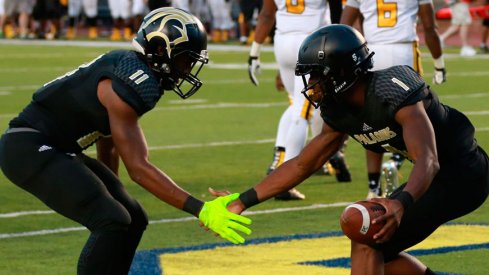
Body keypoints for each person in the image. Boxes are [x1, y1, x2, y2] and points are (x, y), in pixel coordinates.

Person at [217, 24, 489, 274]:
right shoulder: (337, 109)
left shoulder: (391, 89)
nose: (311, 83)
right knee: (370, 241)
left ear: (342, 72)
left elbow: (428, 160)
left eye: (316, 74)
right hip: (431, 179)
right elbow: (303, 164)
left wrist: (401, 202)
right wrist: (242, 201)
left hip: (465, 174)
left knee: (367, 234)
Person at [0, 8, 251, 274]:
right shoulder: (131, 82)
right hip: (28, 148)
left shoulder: (132, 72)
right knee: (112, 219)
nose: (188, 69)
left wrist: (112, 188)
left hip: (57, 148)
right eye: (185, 59)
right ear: (160, 49)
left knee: (133, 218)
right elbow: (139, 168)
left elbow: (107, 138)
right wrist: (202, 209)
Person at [340, 0, 447, 199]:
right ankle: (397, 161)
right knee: (413, 116)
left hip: (371, 52)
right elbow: (429, 27)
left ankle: (373, 187)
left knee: (370, 119)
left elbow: (344, 26)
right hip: (403, 50)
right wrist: (439, 64)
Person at [248, 0, 349, 200]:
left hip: (282, 41)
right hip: (311, 41)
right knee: (302, 111)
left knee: (297, 104)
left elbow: (267, 14)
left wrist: (254, 52)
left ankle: (279, 162)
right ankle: (286, 180)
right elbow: (337, 10)